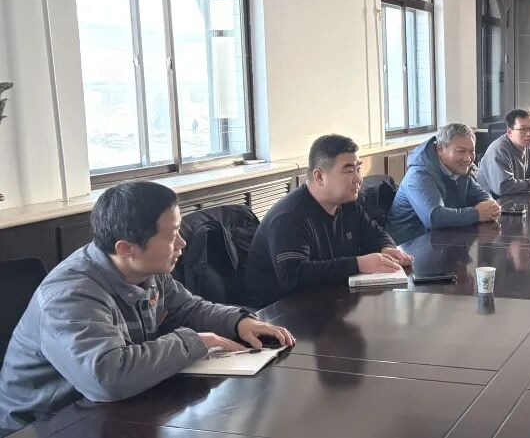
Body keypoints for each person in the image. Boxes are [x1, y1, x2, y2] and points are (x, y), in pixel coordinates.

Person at [0, 182, 295, 435]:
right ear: (126, 248)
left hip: (112, 410)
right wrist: (197, 341)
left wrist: (237, 322)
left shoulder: (146, 269)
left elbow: (187, 308)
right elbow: (108, 378)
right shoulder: (69, 296)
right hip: (45, 425)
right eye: (172, 234)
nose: (182, 243)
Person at [245, 134, 412, 307]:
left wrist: (387, 248)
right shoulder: (288, 217)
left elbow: (375, 233)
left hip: (327, 300)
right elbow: (293, 274)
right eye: (349, 171)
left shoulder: (347, 204)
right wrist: (358, 264)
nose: (358, 178)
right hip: (279, 311)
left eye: (358, 169)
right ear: (319, 177)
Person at [387, 123, 501, 243]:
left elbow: (481, 195)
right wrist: (477, 214)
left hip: (442, 241)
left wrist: (490, 207)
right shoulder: (419, 174)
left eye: (471, 151)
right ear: (440, 149)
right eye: (461, 151)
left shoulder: (458, 168)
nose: (468, 158)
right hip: (407, 247)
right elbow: (434, 217)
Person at [477, 108, 530, 197]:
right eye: (523, 129)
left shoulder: (524, 146)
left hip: (513, 199)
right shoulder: (499, 150)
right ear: (510, 132)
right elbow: (503, 187)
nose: (529, 134)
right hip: (494, 202)